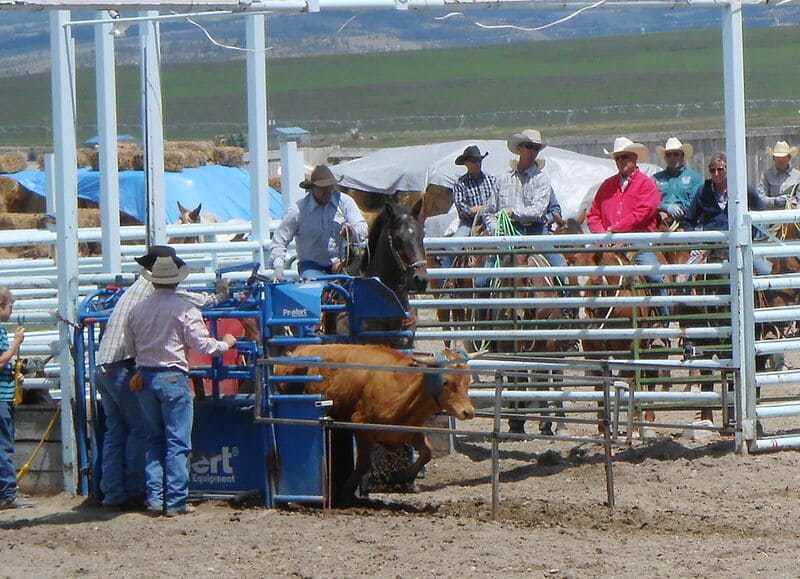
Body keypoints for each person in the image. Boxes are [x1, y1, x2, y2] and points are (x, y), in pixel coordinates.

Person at [94, 248, 228, 511]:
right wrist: (221, 295)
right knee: (158, 435)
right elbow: (195, 305)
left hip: (110, 366)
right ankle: (150, 494)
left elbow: (132, 341)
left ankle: (119, 493)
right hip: (138, 369)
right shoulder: (172, 299)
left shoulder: (137, 298)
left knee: (122, 431)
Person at [126, 246, 237, 517]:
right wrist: (225, 344)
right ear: (176, 280)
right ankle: (175, 501)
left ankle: (156, 497)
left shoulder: (137, 310)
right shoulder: (185, 309)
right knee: (177, 441)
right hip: (173, 377)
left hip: (145, 376)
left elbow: (131, 346)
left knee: (155, 439)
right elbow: (203, 345)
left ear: (152, 280)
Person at [586, 137, 668, 319]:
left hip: (637, 241)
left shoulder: (647, 184)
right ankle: (580, 318)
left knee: (653, 274)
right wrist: (602, 236)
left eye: (625, 157)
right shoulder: (607, 185)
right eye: (618, 158)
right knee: (582, 273)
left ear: (634, 158)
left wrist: (614, 230)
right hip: (607, 242)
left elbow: (643, 212)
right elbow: (593, 214)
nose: (621, 162)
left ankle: (664, 320)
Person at [268, 165, 368, 280]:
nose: (327, 191)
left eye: (329, 187)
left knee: (357, 288)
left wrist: (352, 232)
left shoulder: (345, 202)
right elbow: (280, 239)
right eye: (322, 188)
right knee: (315, 289)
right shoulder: (298, 210)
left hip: (341, 263)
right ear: (312, 188)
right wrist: (278, 266)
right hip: (311, 266)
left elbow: (362, 228)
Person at [682, 152, 770, 274]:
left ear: (728, 169)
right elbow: (688, 220)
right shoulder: (703, 190)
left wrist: (748, 234)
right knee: (682, 277)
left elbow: (760, 211)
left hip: (739, 243)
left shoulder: (742, 188)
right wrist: (696, 244)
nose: (716, 173)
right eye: (712, 170)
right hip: (710, 245)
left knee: (764, 271)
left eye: (720, 169)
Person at [484, 129, 562, 235]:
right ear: (519, 148)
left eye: (536, 148)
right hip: (507, 231)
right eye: (529, 146)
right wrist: (496, 230)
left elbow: (538, 210)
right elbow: (489, 212)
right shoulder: (502, 179)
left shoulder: (542, 179)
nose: (533, 151)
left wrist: (513, 212)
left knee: (553, 252)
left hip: (535, 230)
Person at [0, 287, 35, 510]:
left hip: (5, 394)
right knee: (3, 446)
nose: (12, 310)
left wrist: (14, 374)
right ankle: (7, 494)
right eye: (10, 305)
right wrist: (16, 345)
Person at [441, 145, 499, 271]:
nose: (477, 164)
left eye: (479, 161)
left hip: (492, 218)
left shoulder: (492, 179)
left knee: (505, 239)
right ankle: (444, 280)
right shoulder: (460, 184)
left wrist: (481, 209)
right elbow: (461, 208)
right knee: (453, 247)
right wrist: (474, 210)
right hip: (469, 222)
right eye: (474, 161)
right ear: (466, 163)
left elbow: (499, 200)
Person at [653, 137, 703, 224]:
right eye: (669, 155)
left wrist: (681, 207)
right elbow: (650, 201)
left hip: (688, 223)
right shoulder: (655, 179)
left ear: (682, 156)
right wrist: (665, 207)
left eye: (676, 154)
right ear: (665, 158)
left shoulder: (695, 178)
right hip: (662, 224)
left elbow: (698, 202)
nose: (672, 158)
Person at [758, 140, 800, 209]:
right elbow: (761, 198)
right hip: (772, 216)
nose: (781, 160)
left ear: (789, 158)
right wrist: (774, 201)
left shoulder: (797, 176)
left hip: (792, 216)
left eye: (783, 157)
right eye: (778, 158)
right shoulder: (766, 175)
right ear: (774, 159)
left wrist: (793, 206)